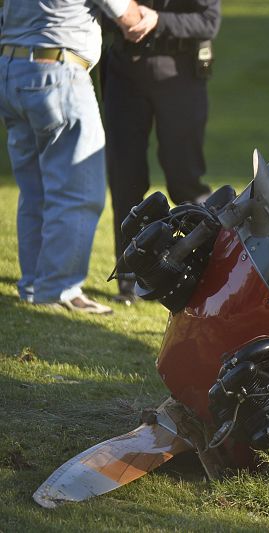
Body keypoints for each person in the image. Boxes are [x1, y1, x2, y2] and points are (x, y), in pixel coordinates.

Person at [0, 0, 152, 314]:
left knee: (36, 191)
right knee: (79, 193)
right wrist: (148, 15)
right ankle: (59, 289)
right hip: (57, 74)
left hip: (11, 69)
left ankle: (34, 286)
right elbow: (130, 19)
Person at [103, 0, 221, 303]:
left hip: (179, 72)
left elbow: (208, 22)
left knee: (185, 180)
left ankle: (210, 271)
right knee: (125, 177)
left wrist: (157, 20)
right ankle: (129, 276)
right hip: (123, 71)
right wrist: (120, 19)